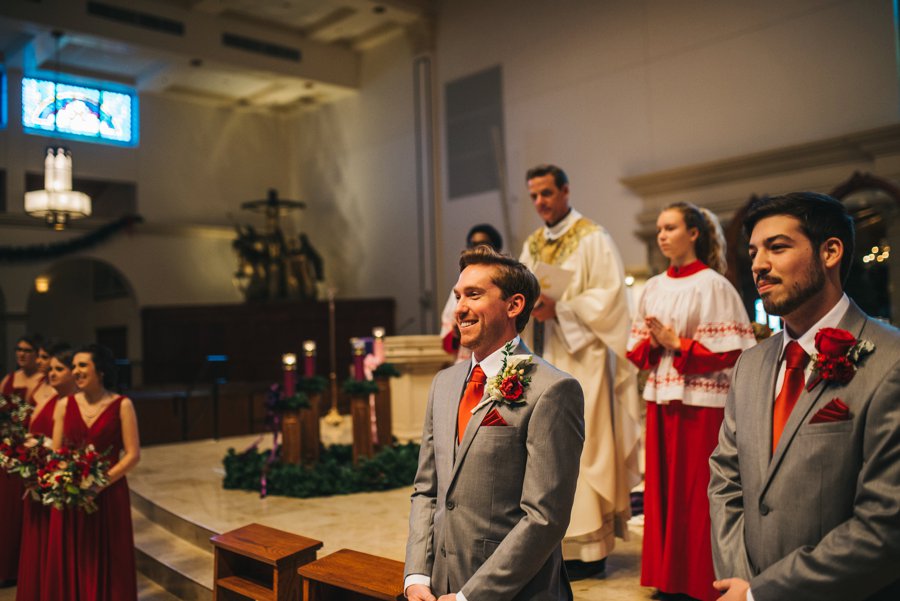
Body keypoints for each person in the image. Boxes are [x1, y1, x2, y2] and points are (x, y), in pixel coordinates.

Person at [709, 192, 900, 601]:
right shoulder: (751, 365)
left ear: (830, 252)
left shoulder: (890, 360)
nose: (759, 264)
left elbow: (884, 528)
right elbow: (726, 479)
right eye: (754, 251)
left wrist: (761, 594)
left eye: (777, 247)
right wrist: (739, 582)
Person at [405, 245, 585, 601]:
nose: (459, 307)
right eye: (458, 295)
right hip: (439, 586)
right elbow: (427, 490)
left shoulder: (552, 390)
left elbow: (544, 519)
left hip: (514, 592)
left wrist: (470, 597)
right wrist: (417, 575)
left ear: (514, 305)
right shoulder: (444, 384)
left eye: (473, 295)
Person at [627, 203, 755, 600]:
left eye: (671, 228)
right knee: (663, 492)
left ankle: (703, 580)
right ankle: (669, 578)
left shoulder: (714, 285)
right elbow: (635, 350)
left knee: (699, 492)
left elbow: (734, 352)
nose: (662, 235)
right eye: (660, 229)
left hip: (702, 403)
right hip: (662, 399)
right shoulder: (653, 287)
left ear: (694, 233)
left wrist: (677, 343)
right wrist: (653, 343)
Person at [518, 164, 641, 576]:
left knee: (582, 448)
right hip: (543, 352)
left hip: (582, 361)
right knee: (544, 449)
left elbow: (610, 300)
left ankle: (590, 548)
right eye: (534, 195)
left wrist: (563, 309)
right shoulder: (532, 244)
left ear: (566, 190)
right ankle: (553, 544)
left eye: (547, 193)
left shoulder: (594, 237)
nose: (540, 202)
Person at [45, 344, 140, 600]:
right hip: (73, 495)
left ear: (101, 371)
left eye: (82, 365)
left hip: (109, 494)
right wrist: (69, 478)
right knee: (75, 555)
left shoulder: (122, 405)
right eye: (73, 366)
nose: (75, 371)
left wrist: (98, 484)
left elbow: (132, 455)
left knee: (110, 555)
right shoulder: (64, 405)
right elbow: (56, 453)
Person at [16, 343, 77, 601]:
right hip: (39, 474)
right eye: (48, 366)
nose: (49, 372)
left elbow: (64, 444)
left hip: (54, 474)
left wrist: (42, 453)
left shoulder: (68, 403)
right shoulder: (48, 396)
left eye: (56, 367)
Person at [0, 334, 45, 588]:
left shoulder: (43, 382)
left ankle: (19, 567)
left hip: (27, 453)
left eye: (27, 350)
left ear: (37, 354)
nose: (21, 354)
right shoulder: (8, 379)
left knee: (18, 512)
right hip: (5, 452)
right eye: (18, 349)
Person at [440, 224, 505, 363]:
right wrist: (456, 333)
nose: (477, 249)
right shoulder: (459, 286)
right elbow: (447, 343)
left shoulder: (505, 285)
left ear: (497, 249)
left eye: (483, 244)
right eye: (473, 244)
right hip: (467, 362)